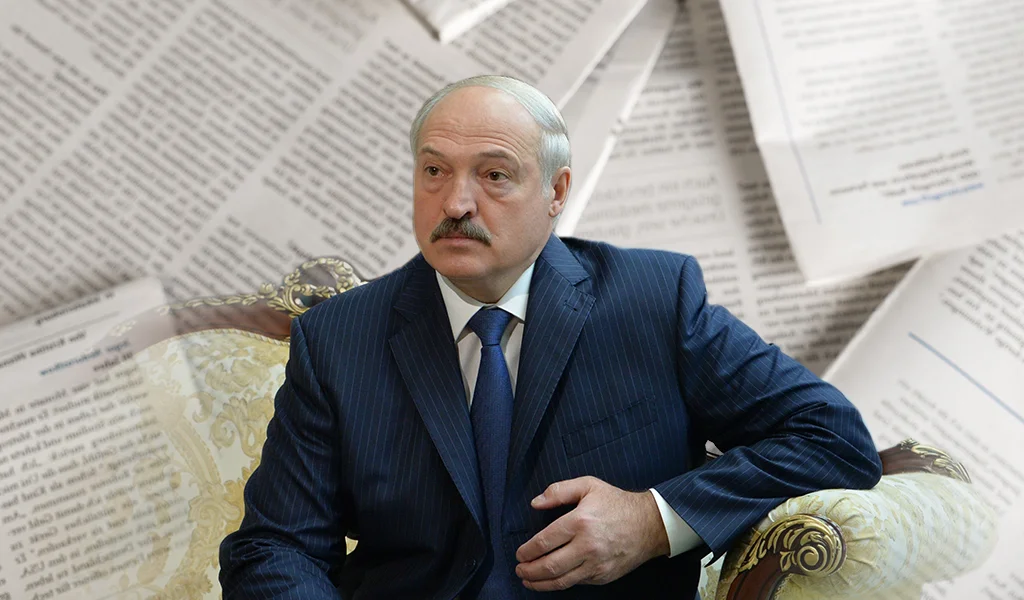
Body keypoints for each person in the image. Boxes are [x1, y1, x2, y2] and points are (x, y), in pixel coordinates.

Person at [219, 75, 882, 599]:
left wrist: (655, 520)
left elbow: (831, 438)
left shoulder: (653, 301)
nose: (456, 203)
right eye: (434, 171)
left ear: (557, 191)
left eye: (494, 175)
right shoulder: (337, 338)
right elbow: (275, 545)